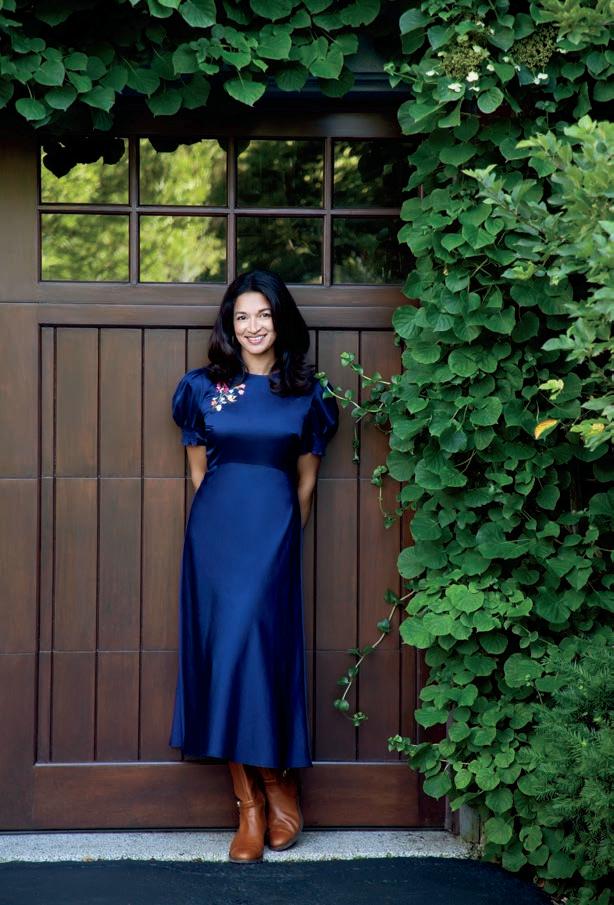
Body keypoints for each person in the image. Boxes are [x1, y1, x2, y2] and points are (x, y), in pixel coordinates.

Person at [168, 269, 340, 863]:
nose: (253, 326)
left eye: (263, 314)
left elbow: (306, 485)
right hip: (215, 540)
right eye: (242, 316)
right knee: (225, 658)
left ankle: (279, 782)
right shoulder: (201, 388)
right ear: (229, 325)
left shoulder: (310, 394)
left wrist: (281, 541)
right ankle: (251, 804)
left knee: (260, 655)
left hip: (273, 539)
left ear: (281, 320)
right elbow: (200, 474)